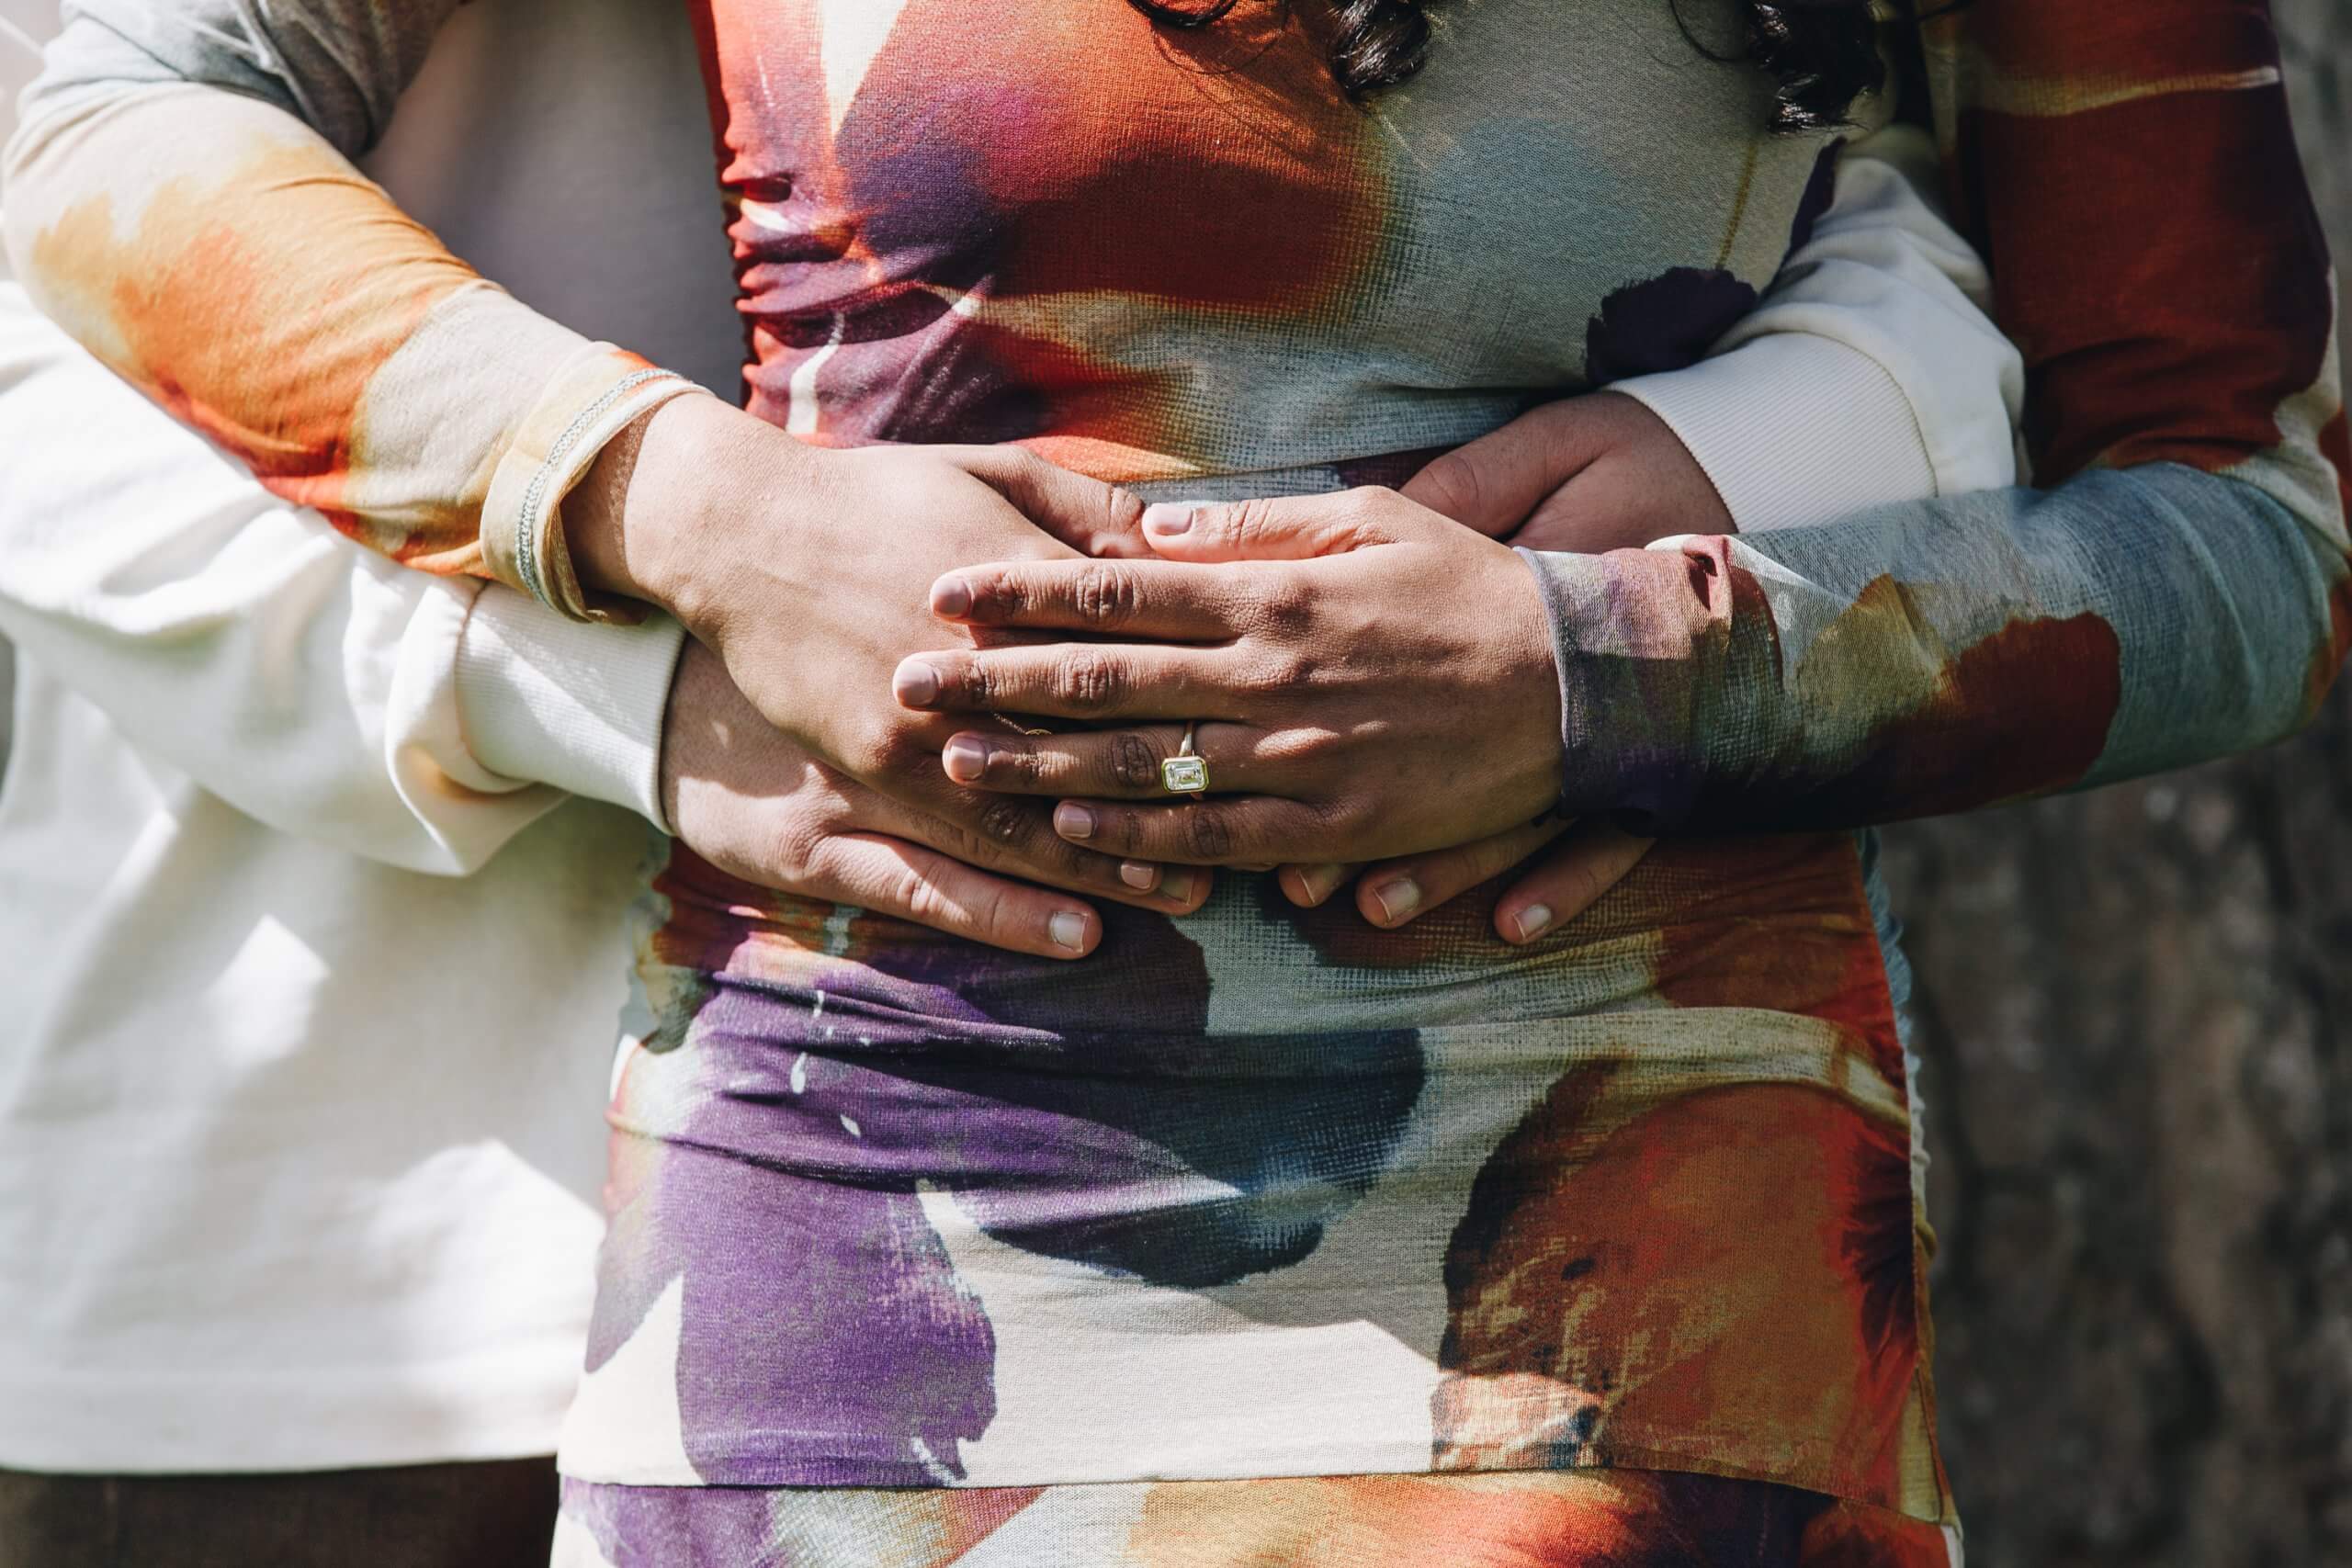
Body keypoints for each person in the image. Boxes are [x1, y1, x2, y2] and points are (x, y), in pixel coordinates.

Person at [7, 4, 2338, 1568]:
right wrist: (687, 506)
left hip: (1618, 1284)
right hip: (843, 1246)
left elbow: (2232, 515)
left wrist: (1612, 669)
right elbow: (96, 122)